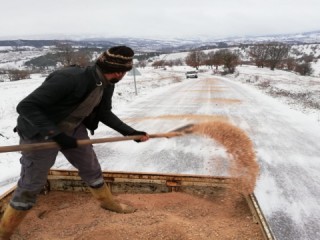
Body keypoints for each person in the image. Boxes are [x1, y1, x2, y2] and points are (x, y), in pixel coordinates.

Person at [0, 46, 149, 239]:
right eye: (122, 72)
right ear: (118, 71)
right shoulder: (71, 78)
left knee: (91, 167)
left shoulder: (107, 84)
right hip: (40, 132)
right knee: (31, 184)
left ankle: (107, 202)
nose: (121, 76)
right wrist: (56, 134)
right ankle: (5, 231)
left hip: (73, 128)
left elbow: (104, 112)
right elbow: (26, 106)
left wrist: (130, 132)